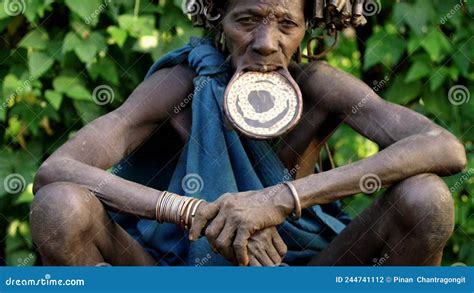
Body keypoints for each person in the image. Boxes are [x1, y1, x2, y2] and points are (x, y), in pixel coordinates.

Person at [30, 0, 467, 266]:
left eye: (286, 25)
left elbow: (443, 147)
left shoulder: (320, 87)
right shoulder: (183, 83)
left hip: (301, 270)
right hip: (175, 270)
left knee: (426, 198)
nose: (265, 42)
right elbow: (57, 170)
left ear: (306, 29)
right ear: (219, 19)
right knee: (60, 206)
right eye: (247, 20)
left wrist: (278, 200)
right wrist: (194, 212)